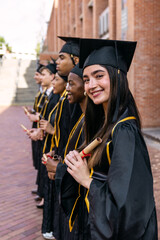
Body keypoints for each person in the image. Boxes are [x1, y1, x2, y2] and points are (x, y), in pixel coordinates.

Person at [64, 39, 158, 239]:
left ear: (117, 77)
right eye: (87, 79)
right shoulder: (105, 125)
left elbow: (128, 206)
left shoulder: (124, 131)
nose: (91, 85)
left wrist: (86, 180)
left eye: (99, 76)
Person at [45, 64, 86, 240]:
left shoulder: (115, 128)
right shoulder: (84, 119)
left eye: (71, 83)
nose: (67, 88)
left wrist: (60, 167)